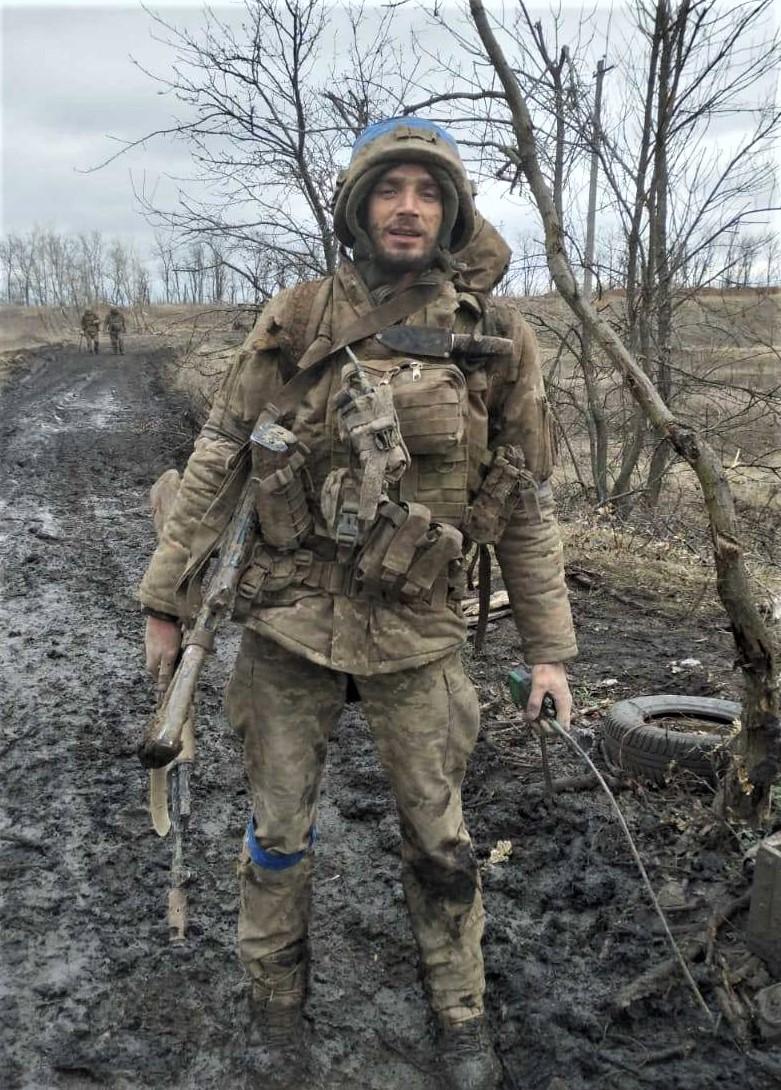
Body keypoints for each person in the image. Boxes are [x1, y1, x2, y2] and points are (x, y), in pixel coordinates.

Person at [139, 117, 577, 1090]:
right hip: (289, 624)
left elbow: (525, 504)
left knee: (441, 839)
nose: (408, 207)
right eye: (389, 188)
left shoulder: (497, 339)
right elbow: (218, 455)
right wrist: (164, 599)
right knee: (277, 834)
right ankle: (274, 1012)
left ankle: (460, 1016)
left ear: (450, 211)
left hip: (420, 632)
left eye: (427, 191)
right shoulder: (296, 316)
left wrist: (548, 652)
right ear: (357, 206)